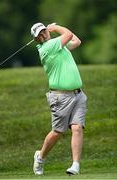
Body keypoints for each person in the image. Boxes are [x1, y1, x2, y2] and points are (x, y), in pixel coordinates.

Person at [30, 22, 87, 175]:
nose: (43, 34)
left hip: (78, 95)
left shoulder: (58, 47)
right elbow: (68, 35)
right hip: (60, 97)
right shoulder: (47, 48)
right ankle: (40, 157)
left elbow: (76, 41)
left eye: (44, 31)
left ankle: (75, 165)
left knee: (77, 128)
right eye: (40, 35)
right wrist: (55, 27)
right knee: (58, 131)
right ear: (37, 40)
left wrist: (54, 31)